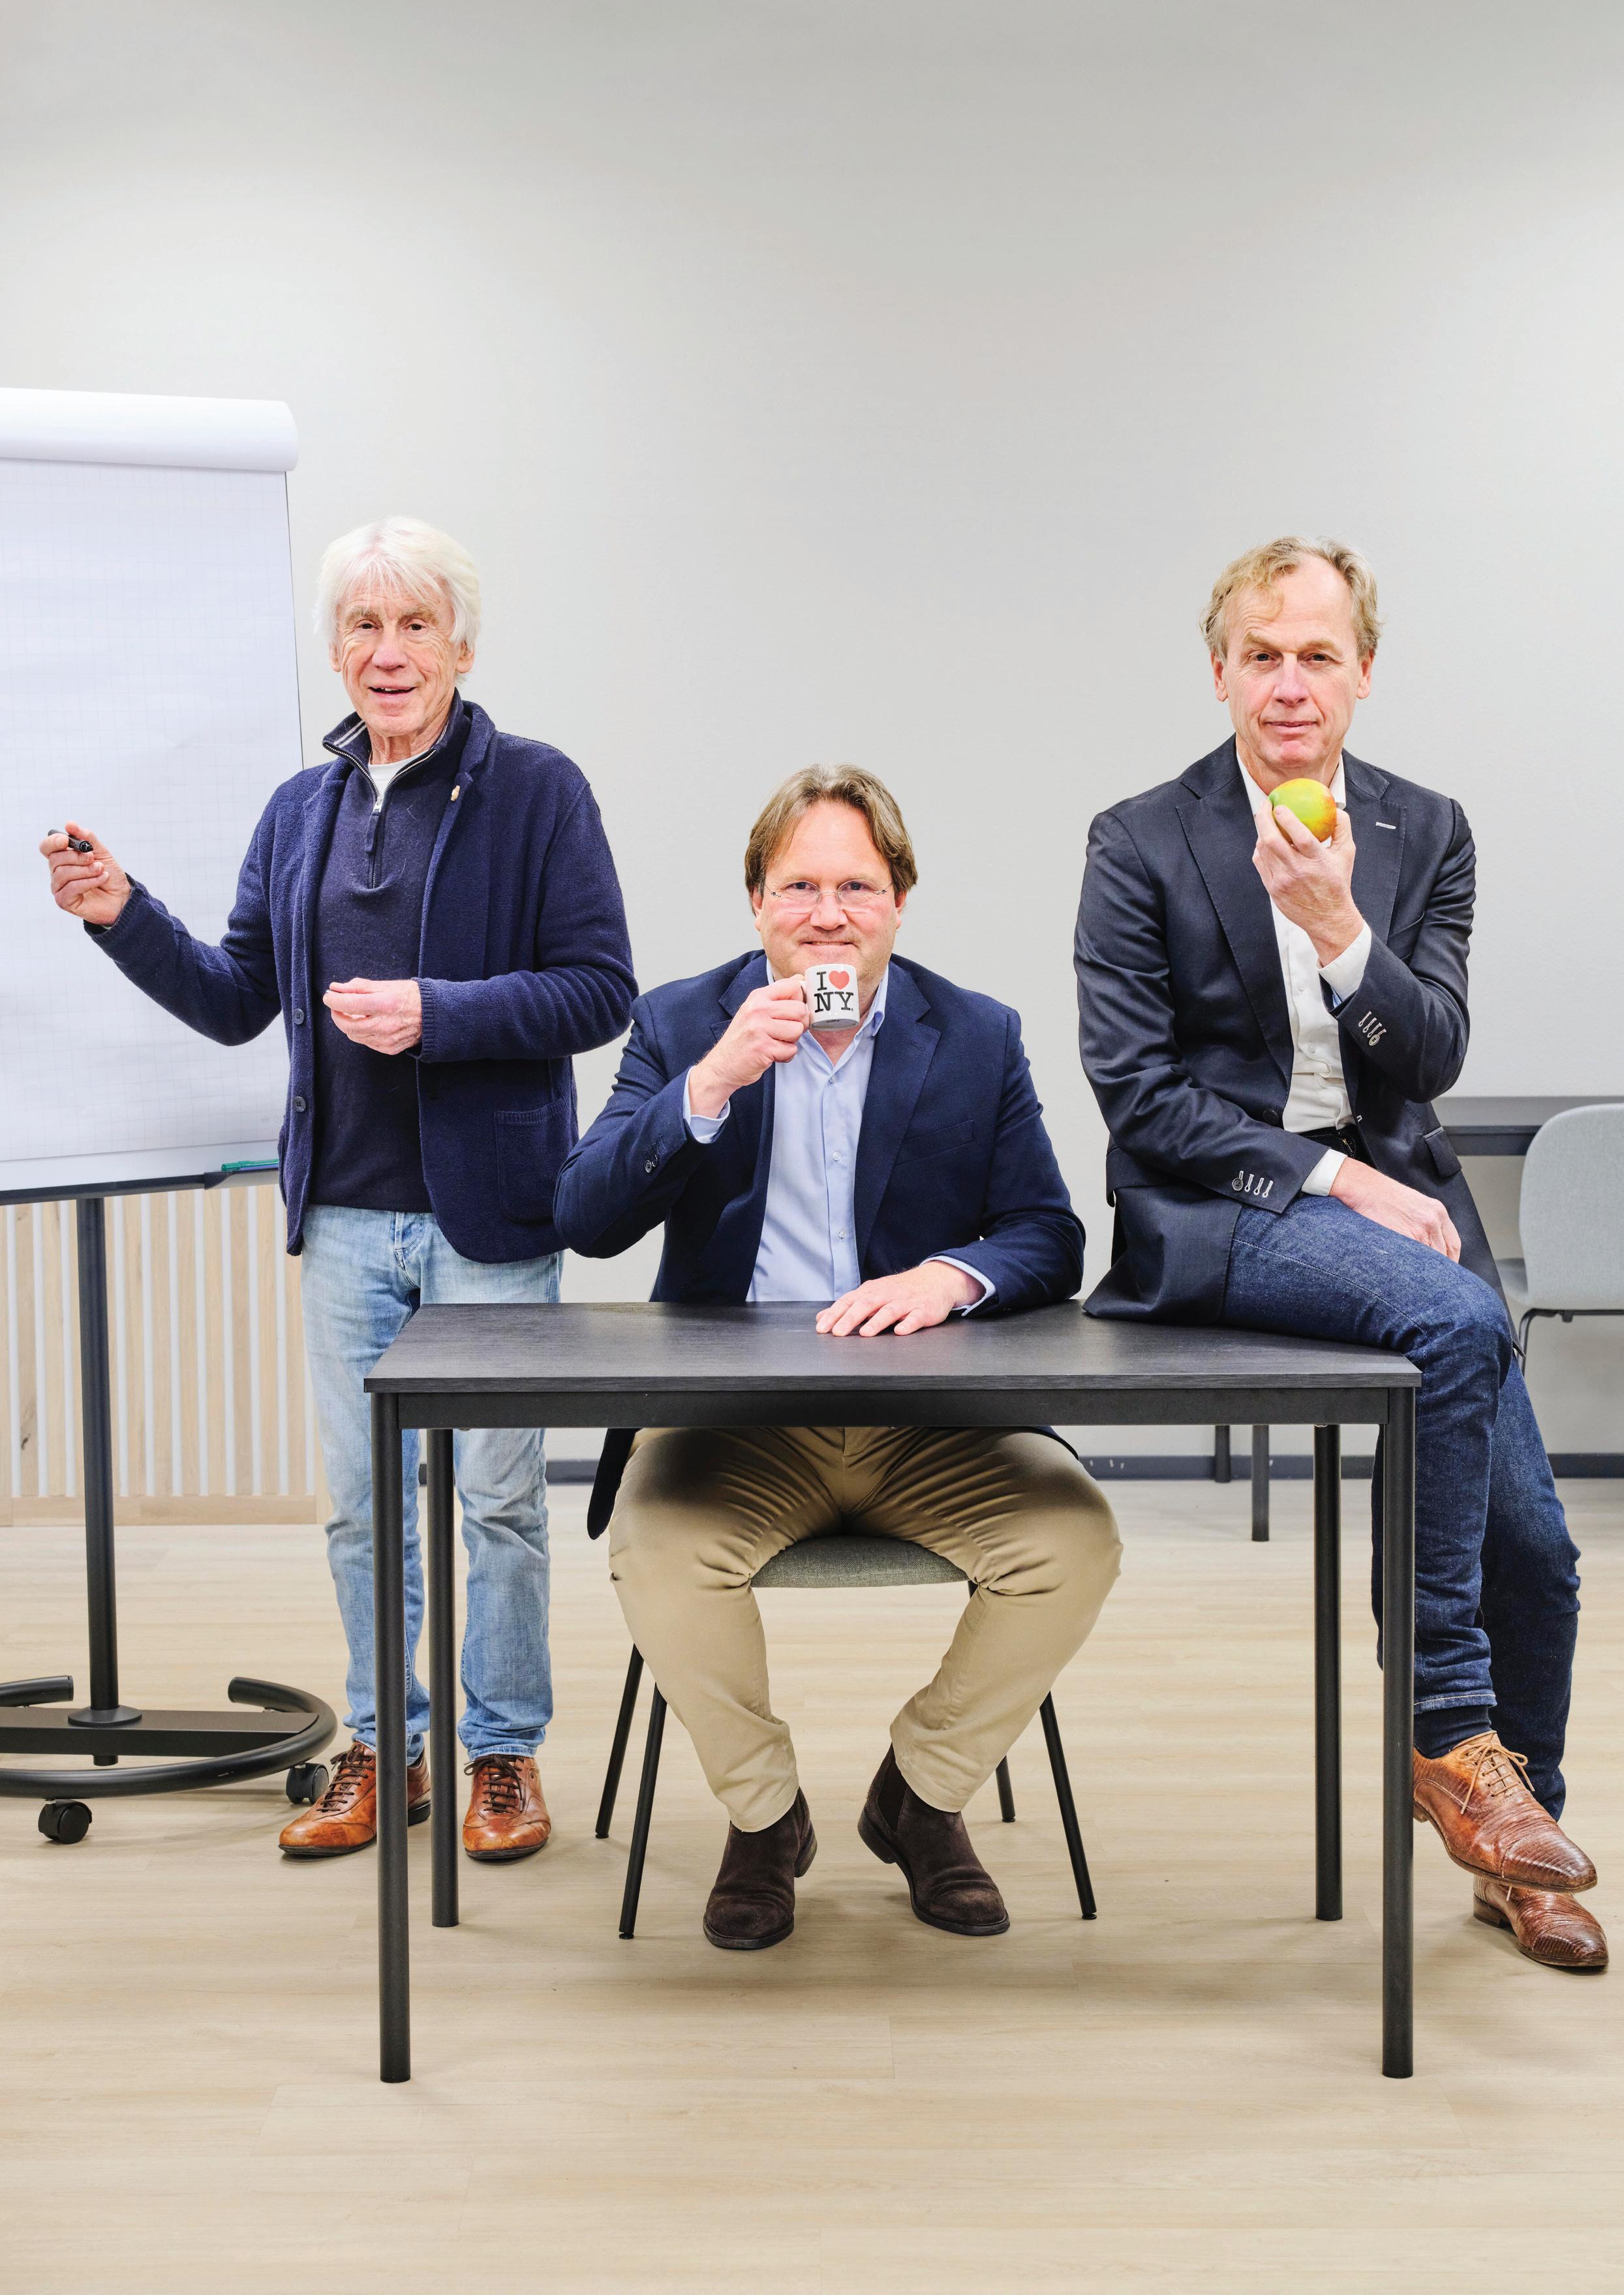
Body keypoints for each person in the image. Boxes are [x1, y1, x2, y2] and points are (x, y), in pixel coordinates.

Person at [40, 517, 636, 1865]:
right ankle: (384, 1745)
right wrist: (122, 912)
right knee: (366, 1509)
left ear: (461, 646)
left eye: (416, 623)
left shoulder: (539, 790)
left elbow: (601, 989)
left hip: (492, 1219)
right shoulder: (296, 812)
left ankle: (502, 1753)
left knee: (495, 1502)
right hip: (349, 1216)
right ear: (334, 652)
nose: (389, 649)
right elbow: (236, 998)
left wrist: (438, 1013)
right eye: (364, 625)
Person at [1075, 536, 1601, 1972]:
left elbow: (1427, 1057)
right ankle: (1448, 1728)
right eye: (1263, 654)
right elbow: (1140, 1097)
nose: (1290, 683)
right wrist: (1335, 1180)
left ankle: (1517, 1846)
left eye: (1318, 654)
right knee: (1457, 1318)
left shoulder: (1426, 829)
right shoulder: (1140, 838)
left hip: (1407, 1209)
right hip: (1224, 1212)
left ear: (1364, 671)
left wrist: (1342, 933)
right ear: (1220, 671)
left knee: (1541, 1554)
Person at [554, 765, 1121, 1951]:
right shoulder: (680, 1022)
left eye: (855, 887)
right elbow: (586, 1216)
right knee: (657, 1550)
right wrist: (710, 1082)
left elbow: (1047, 1233)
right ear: (756, 902)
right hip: (734, 1429)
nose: (826, 914)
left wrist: (947, 1277)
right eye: (798, 886)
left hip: (929, 1423)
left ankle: (919, 1796)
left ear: (899, 900)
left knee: (1073, 1539)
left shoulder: (974, 1034)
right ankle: (765, 1818)